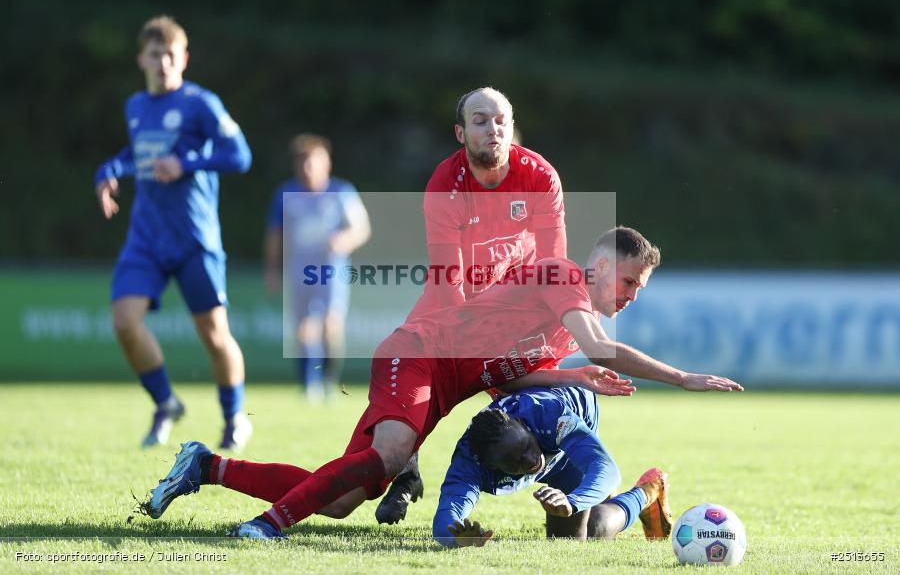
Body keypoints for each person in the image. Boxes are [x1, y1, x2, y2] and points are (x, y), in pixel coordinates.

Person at [141, 226, 743, 539]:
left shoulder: (566, 327)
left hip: (443, 382)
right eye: (632, 282)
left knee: (350, 498)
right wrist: (680, 376)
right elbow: (597, 343)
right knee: (392, 454)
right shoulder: (566, 277)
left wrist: (567, 373)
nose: (633, 296)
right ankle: (268, 526)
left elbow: (502, 375)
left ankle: (207, 467)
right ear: (603, 265)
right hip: (420, 354)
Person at [377, 86, 567, 524]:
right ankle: (406, 475)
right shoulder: (445, 183)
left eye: (501, 120)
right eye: (481, 121)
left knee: (543, 400)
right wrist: (471, 341)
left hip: (514, 307)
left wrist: (523, 327)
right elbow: (448, 280)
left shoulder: (539, 175)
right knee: (414, 392)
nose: (494, 128)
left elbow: (552, 265)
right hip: (451, 301)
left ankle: (566, 491)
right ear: (461, 133)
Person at [93, 15, 253, 450]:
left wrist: (187, 165)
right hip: (146, 237)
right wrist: (111, 169)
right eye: (155, 54)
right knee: (125, 322)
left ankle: (234, 415)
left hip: (194, 238)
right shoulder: (135, 107)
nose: (163, 62)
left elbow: (240, 156)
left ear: (183, 58)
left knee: (213, 334)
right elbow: (138, 153)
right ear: (141, 59)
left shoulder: (201, 103)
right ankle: (166, 404)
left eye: (170, 55)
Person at [434, 386, 670, 548]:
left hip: (573, 427)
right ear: (489, 465)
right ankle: (611, 498)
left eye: (527, 446)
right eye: (515, 461)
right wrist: (457, 538)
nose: (530, 460)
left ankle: (648, 491)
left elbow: (606, 469)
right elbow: (446, 515)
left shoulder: (549, 416)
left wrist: (573, 501)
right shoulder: (468, 464)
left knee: (588, 532)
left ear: (523, 425)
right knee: (590, 507)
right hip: (549, 444)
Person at [264, 134, 371, 401]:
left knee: (331, 325)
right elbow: (275, 235)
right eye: (303, 163)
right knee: (304, 328)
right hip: (299, 269)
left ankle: (329, 383)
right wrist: (272, 270)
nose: (308, 168)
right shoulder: (285, 194)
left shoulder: (341, 191)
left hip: (331, 270)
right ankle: (308, 384)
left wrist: (343, 240)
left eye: (313, 162)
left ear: (327, 163)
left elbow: (361, 228)